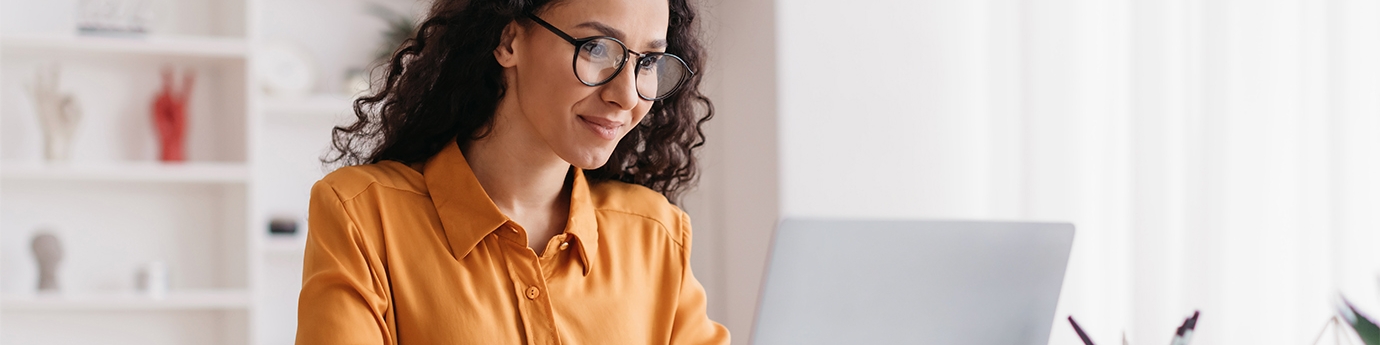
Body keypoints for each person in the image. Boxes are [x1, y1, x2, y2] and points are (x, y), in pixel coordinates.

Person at [294, 0, 728, 343]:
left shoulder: (655, 232)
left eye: (647, 62)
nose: (626, 94)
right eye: (595, 47)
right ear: (509, 41)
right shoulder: (364, 215)